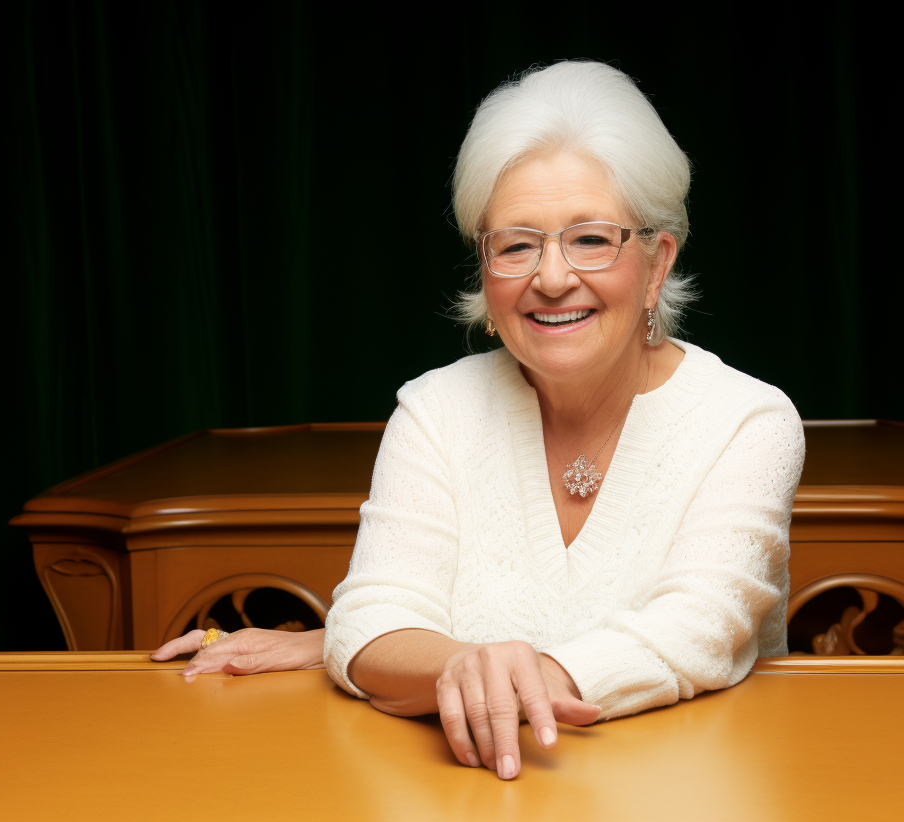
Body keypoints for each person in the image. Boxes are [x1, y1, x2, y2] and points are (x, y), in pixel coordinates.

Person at [153, 61, 805, 780]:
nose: (552, 278)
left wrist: (433, 663)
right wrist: (405, 652)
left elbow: (693, 635)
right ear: (485, 270)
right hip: (469, 802)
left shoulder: (749, 421)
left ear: (655, 265)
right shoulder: (435, 410)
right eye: (517, 244)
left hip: (687, 807)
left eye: (590, 239)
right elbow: (374, 620)